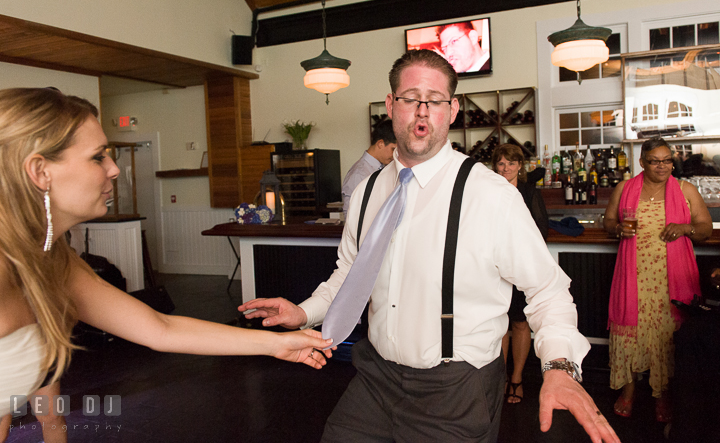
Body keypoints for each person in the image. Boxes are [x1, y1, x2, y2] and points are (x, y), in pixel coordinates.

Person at [240, 50, 619, 443]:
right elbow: (351, 276)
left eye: (435, 100)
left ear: (452, 110)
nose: (422, 112)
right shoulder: (368, 192)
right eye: (409, 98)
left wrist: (558, 366)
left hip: (457, 388)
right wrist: (303, 313)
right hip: (375, 379)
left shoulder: (491, 196)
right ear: (391, 106)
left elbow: (548, 291)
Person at [0, 88, 334, 441]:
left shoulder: (52, 259)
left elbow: (160, 328)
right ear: (40, 171)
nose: (114, 169)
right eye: (98, 157)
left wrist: (277, 344)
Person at [603, 136, 712, 423]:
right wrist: (618, 231)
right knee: (633, 331)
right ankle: (629, 391)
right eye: (655, 161)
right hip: (633, 273)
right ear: (642, 162)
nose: (663, 166)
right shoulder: (625, 188)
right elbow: (609, 221)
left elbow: (705, 229)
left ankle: (662, 394)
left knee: (665, 336)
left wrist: (685, 227)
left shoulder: (685, 189)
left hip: (671, 277)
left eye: (667, 160)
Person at [492, 144, 548, 405]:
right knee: (499, 323)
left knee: (520, 322)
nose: (505, 169)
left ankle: (517, 378)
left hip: (521, 265)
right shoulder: (488, 191)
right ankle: (499, 377)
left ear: (520, 166)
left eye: (511, 164)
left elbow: (540, 230)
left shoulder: (527, 191)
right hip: (493, 266)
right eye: (501, 164)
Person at [341, 118, 396, 216]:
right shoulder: (359, 174)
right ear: (380, 144)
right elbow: (351, 216)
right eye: (393, 149)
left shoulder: (384, 168)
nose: (395, 155)